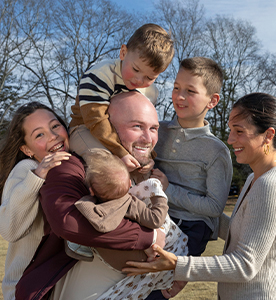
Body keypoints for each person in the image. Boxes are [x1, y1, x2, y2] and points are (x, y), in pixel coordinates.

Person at [123, 92, 276, 300]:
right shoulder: (256, 177)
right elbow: (239, 229)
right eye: (231, 130)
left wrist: (176, 264)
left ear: (268, 135)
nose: (230, 139)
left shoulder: (271, 185)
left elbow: (245, 265)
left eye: (239, 131)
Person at [16, 91, 188, 300]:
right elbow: (67, 222)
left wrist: (176, 271)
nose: (148, 137)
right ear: (108, 130)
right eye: (136, 126)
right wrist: (150, 237)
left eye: (153, 128)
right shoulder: (67, 165)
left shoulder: (137, 170)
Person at [147, 57, 233, 299]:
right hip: (153, 215)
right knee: (127, 276)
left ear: (212, 101)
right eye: (176, 88)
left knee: (156, 291)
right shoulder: (156, 129)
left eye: (190, 91)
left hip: (191, 228)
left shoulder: (216, 151)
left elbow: (215, 207)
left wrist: (168, 189)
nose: (179, 96)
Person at [69, 23, 174, 171]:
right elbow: (96, 120)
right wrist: (120, 152)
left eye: (149, 77)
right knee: (108, 165)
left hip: (118, 134)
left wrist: (148, 157)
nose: (139, 80)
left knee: (141, 167)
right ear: (123, 53)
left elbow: (144, 128)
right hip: (85, 128)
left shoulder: (149, 92)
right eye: (135, 69)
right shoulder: (100, 75)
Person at [0, 102, 72, 300]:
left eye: (55, 126)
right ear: (27, 149)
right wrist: (38, 175)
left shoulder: (72, 167)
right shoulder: (26, 169)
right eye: (39, 135)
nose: (53, 136)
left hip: (60, 284)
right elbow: (9, 230)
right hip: (27, 290)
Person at [65, 149, 169, 262]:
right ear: (130, 183)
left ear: (91, 190)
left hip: (107, 258)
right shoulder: (132, 205)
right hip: (132, 255)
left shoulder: (88, 206)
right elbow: (156, 220)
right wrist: (159, 194)